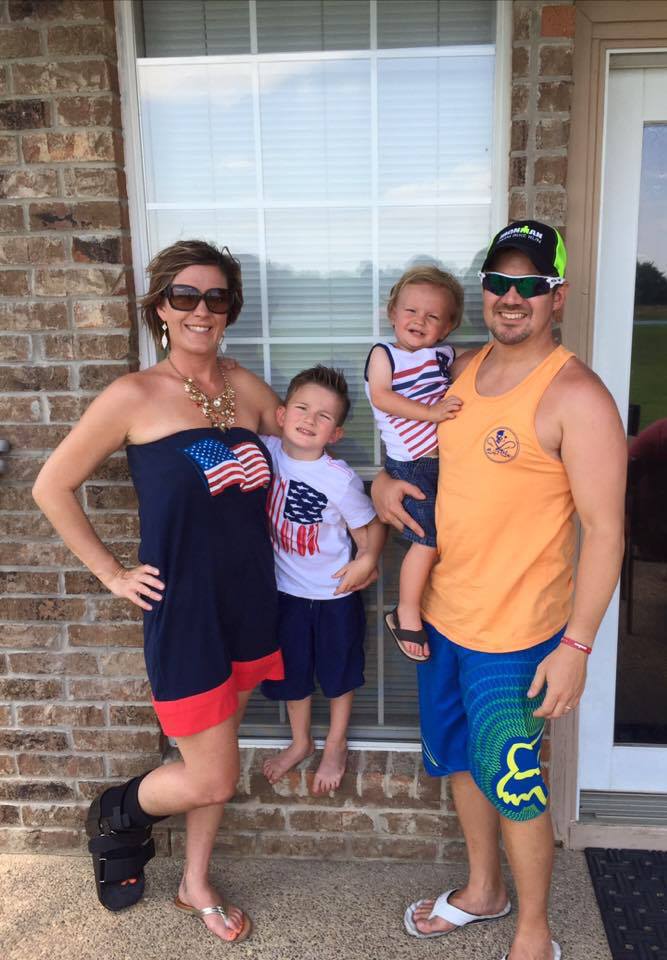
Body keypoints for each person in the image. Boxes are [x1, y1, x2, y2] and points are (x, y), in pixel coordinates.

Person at [372, 221, 626, 960]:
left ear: (557, 296)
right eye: (499, 282)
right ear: (484, 290)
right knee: (459, 762)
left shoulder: (577, 395)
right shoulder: (457, 371)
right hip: (442, 618)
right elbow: (418, 457)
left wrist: (577, 646)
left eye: (530, 285)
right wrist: (383, 482)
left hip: (515, 637)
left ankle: (533, 933)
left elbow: (605, 532)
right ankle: (484, 890)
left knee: (513, 785)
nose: (512, 297)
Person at [32, 240, 286, 943]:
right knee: (212, 777)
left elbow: (309, 446)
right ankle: (119, 810)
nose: (202, 310)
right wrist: (112, 574)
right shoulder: (133, 396)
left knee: (219, 756)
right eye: (186, 296)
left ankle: (193, 881)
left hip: (249, 602)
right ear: (161, 308)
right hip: (185, 613)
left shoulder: (245, 387)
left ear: (230, 309)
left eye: (216, 297)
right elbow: (51, 486)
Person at [261, 366, 384, 793]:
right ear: (281, 415)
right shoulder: (266, 452)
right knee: (292, 671)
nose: (310, 420)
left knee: (338, 672)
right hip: (285, 593)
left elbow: (367, 529)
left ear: (335, 433)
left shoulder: (339, 478)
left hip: (334, 595)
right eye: (301, 408)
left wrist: (367, 560)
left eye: (324, 416)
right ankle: (300, 741)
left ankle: (335, 742)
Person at [364, 266, 463, 661]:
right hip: (411, 464)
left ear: (447, 327)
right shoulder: (384, 355)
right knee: (427, 540)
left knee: (448, 537)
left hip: (444, 462)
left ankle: (435, 604)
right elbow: (382, 396)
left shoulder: (443, 355)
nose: (419, 321)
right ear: (392, 313)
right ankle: (405, 611)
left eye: (432, 316)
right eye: (410, 311)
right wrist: (432, 413)